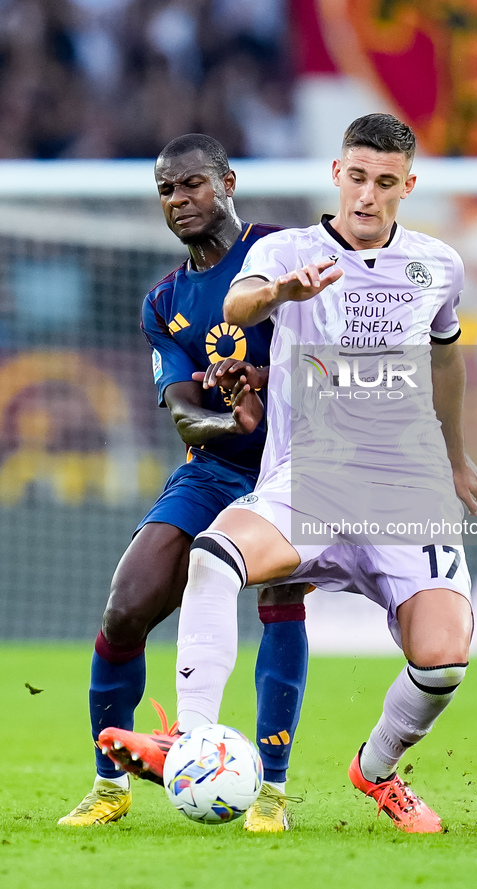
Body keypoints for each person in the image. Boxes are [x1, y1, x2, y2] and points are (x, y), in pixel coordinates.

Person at [101, 114, 477, 833]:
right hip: (309, 480)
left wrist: (457, 453)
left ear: (407, 185)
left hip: (407, 494)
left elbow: (445, 355)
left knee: (442, 662)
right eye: (356, 178)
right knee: (213, 558)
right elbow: (237, 303)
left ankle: (374, 769)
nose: (366, 197)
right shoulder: (286, 250)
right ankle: (191, 740)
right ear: (336, 174)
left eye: (384, 183)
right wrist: (283, 294)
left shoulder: (438, 263)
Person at [59, 133, 309, 832]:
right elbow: (181, 413)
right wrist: (232, 420)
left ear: (227, 182)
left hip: (296, 466)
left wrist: (271, 392)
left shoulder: (280, 254)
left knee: (282, 595)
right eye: (166, 191)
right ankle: (110, 785)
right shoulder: (163, 300)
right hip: (218, 469)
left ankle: (270, 791)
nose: (179, 200)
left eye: (192, 184)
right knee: (125, 608)